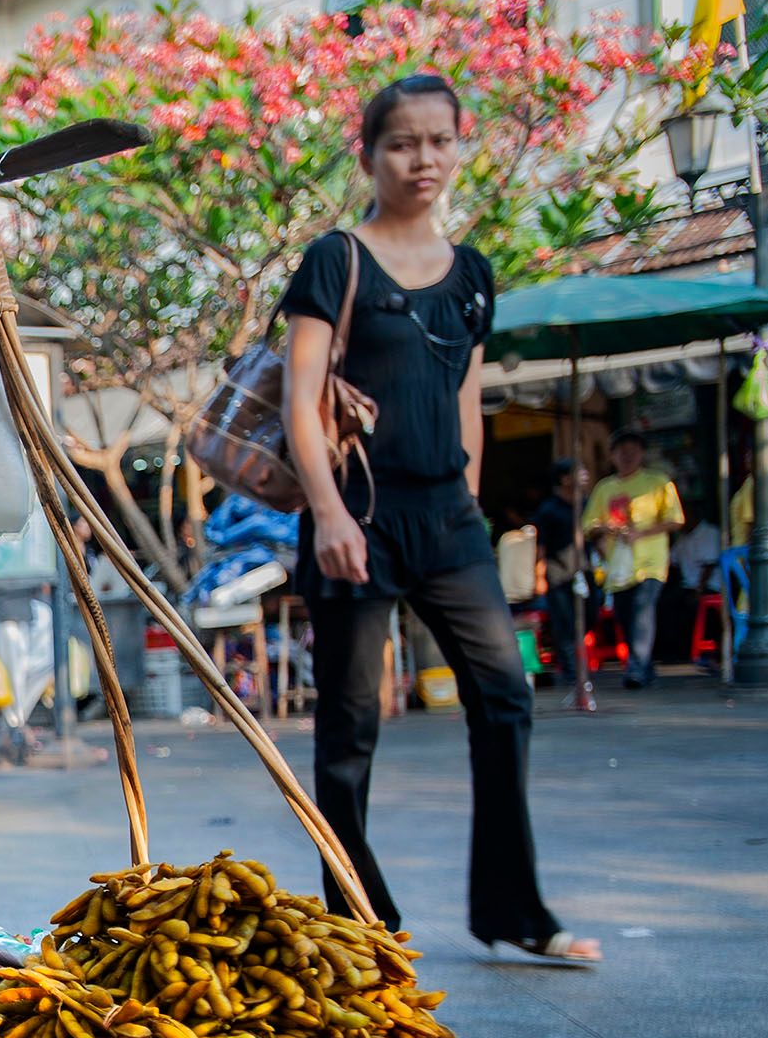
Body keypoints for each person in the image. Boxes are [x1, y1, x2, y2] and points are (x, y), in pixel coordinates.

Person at [281, 74, 598, 966]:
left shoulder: (473, 276)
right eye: (402, 143)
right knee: (348, 731)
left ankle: (516, 910)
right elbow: (301, 402)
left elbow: (468, 401)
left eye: (440, 141)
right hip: (358, 517)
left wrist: (470, 506)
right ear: (370, 155)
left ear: (459, 147)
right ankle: (359, 924)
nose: (424, 159)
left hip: (447, 519)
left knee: (504, 694)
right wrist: (330, 513)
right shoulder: (335, 261)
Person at [581, 430, 682, 689]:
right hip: (619, 566)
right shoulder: (605, 488)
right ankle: (644, 667)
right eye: (621, 451)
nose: (627, 456)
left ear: (641, 454)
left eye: (633, 451)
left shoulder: (657, 481)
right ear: (612, 456)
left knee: (642, 610)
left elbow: (675, 520)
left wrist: (643, 533)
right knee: (625, 616)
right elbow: (588, 526)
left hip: (651, 562)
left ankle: (635, 667)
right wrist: (606, 528)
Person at [528, 459, 594, 702]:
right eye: (579, 471)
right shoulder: (549, 510)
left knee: (591, 613)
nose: (585, 475)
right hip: (557, 573)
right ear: (564, 479)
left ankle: (577, 665)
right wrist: (538, 575)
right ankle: (570, 672)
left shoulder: (586, 505)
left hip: (585, 571)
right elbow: (540, 546)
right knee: (564, 624)